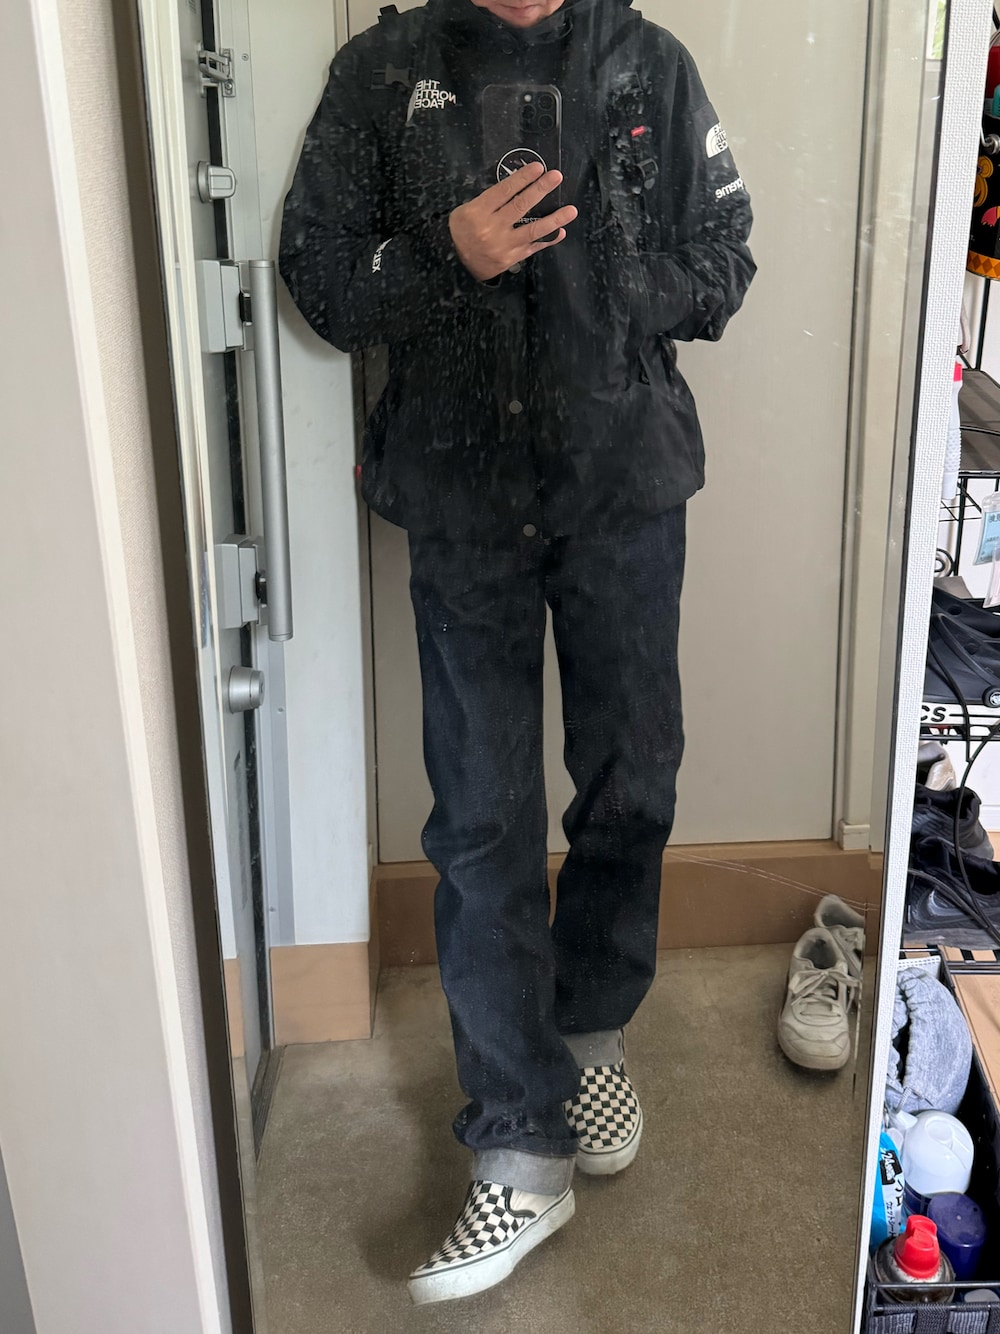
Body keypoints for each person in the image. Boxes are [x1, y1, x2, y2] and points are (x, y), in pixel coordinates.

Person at [279, 0, 754, 1305]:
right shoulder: (382, 72)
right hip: (463, 503)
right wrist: (449, 251)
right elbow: (319, 275)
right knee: (481, 823)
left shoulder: (649, 63)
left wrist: (610, 274)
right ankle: (517, 1144)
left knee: (632, 785)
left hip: (624, 495)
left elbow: (726, 259)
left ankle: (589, 1031)